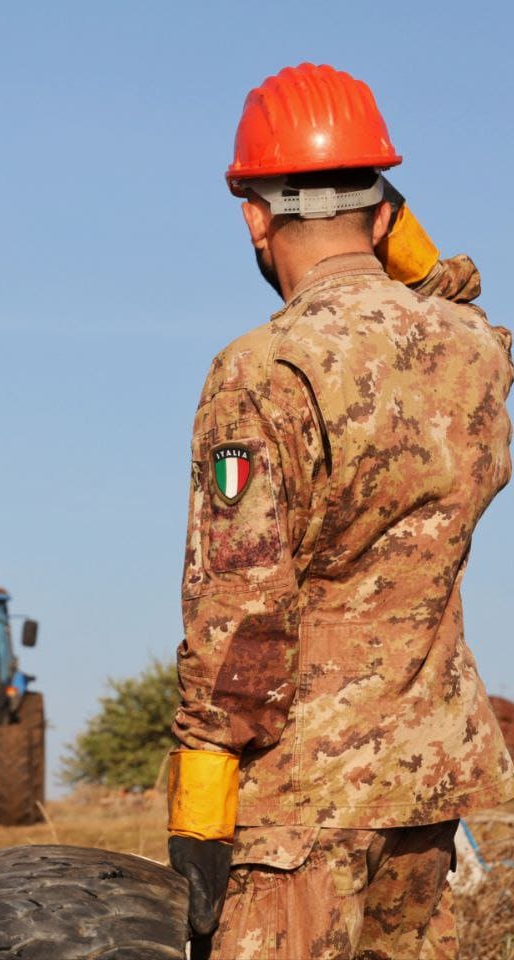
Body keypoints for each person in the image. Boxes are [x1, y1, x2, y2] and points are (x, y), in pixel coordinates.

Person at [166, 62, 513, 959]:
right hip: (431, 785)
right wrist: (424, 265)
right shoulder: (474, 353)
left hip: (301, 807)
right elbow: (468, 304)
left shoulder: (260, 368)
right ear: (387, 208)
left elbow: (241, 606)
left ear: (254, 212)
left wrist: (203, 798)